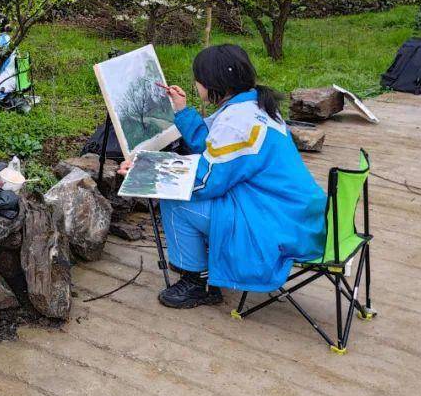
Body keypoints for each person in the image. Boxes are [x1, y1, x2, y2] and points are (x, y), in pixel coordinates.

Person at [120, 44, 326, 309]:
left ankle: (198, 283)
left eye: (198, 79)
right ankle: (201, 265)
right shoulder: (254, 105)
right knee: (185, 191)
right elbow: (213, 144)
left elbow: (206, 181)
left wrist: (144, 171)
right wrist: (181, 109)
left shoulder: (238, 122)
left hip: (274, 224)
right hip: (296, 213)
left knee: (174, 200)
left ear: (211, 82)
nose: (195, 83)